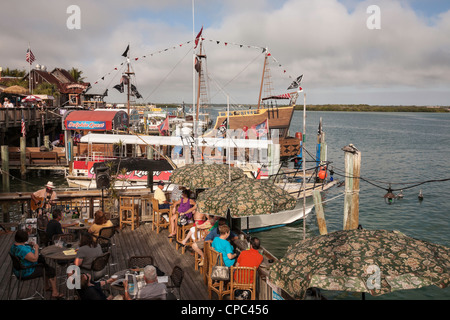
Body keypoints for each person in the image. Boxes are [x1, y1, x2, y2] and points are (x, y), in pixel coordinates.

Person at [10, 230, 64, 299]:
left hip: (18, 270)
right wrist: (36, 248)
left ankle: (46, 286)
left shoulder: (14, 246)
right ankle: (55, 293)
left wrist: (28, 245)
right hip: (26, 271)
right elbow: (34, 259)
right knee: (51, 271)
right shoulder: (23, 250)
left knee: (45, 266)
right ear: (25, 238)